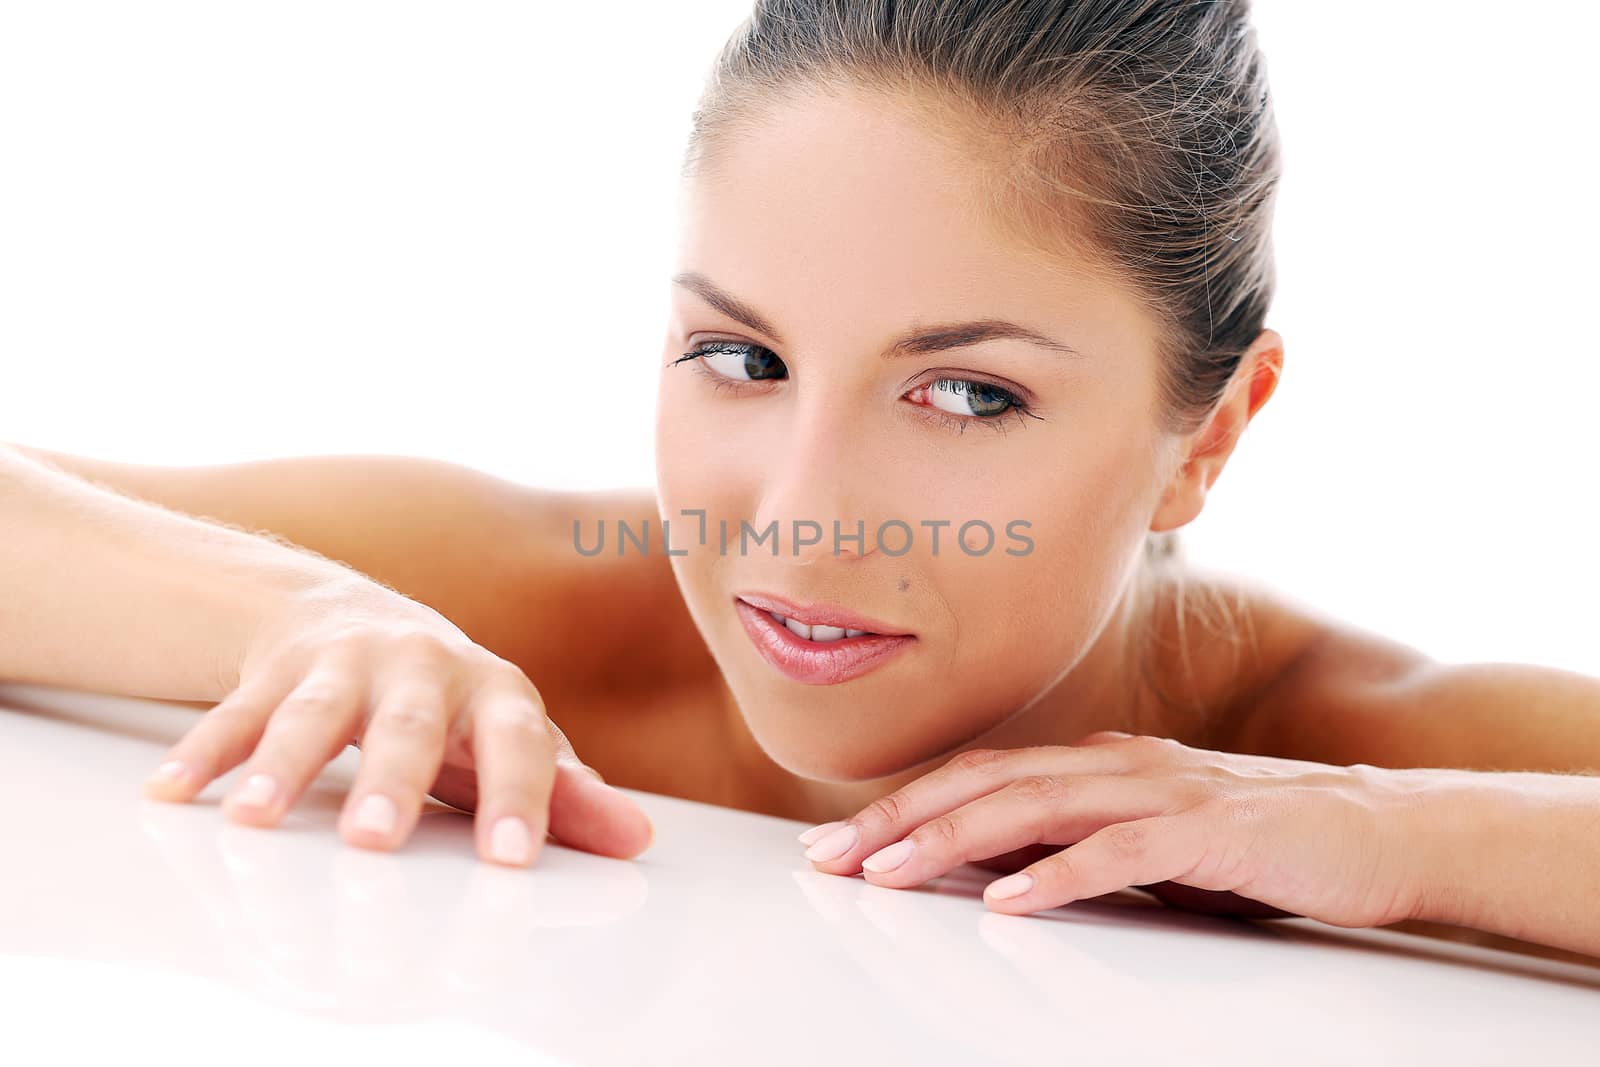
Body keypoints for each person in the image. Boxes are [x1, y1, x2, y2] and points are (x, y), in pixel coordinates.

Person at [7, 0, 1600, 959]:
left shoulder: (1336, 747)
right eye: (742, 360)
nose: (796, 520)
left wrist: (1399, 842)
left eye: (966, 392)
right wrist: (277, 610)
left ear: (1213, 432)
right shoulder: (524, 608)